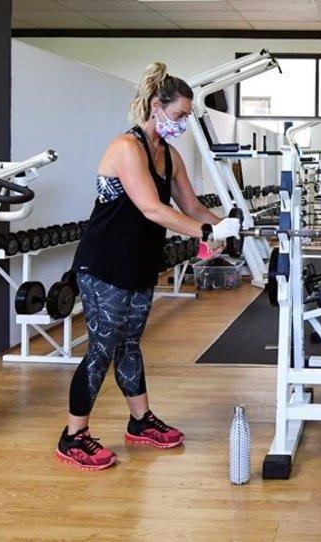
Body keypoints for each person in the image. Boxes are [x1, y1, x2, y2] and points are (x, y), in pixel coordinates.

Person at [56, 62, 241, 471]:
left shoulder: (170, 155)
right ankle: (73, 436)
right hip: (102, 263)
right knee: (102, 350)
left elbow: (191, 206)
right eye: (179, 116)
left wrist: (227, 224)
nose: (182, 124)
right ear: (156, 106)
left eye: (187, 118)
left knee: (129, 345)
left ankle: (140, 421)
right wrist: (204, 233)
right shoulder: (127, 147)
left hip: (140, 262)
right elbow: (151, 208)